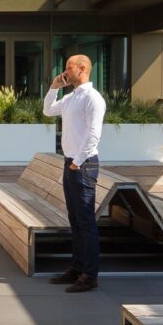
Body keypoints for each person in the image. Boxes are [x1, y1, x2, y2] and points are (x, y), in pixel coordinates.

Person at [42, 54, 106, 292]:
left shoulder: (93, 99)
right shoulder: (71, 97)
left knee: (86, 221)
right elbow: (48, 111)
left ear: (82, 69)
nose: (65, 72)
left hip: (84, 164)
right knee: (75, 220)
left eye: (69, 68)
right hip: (71, 162)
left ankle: (90, 276)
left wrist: (77, 162)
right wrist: (53, 87)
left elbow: (93, 134)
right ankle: (77, 269)